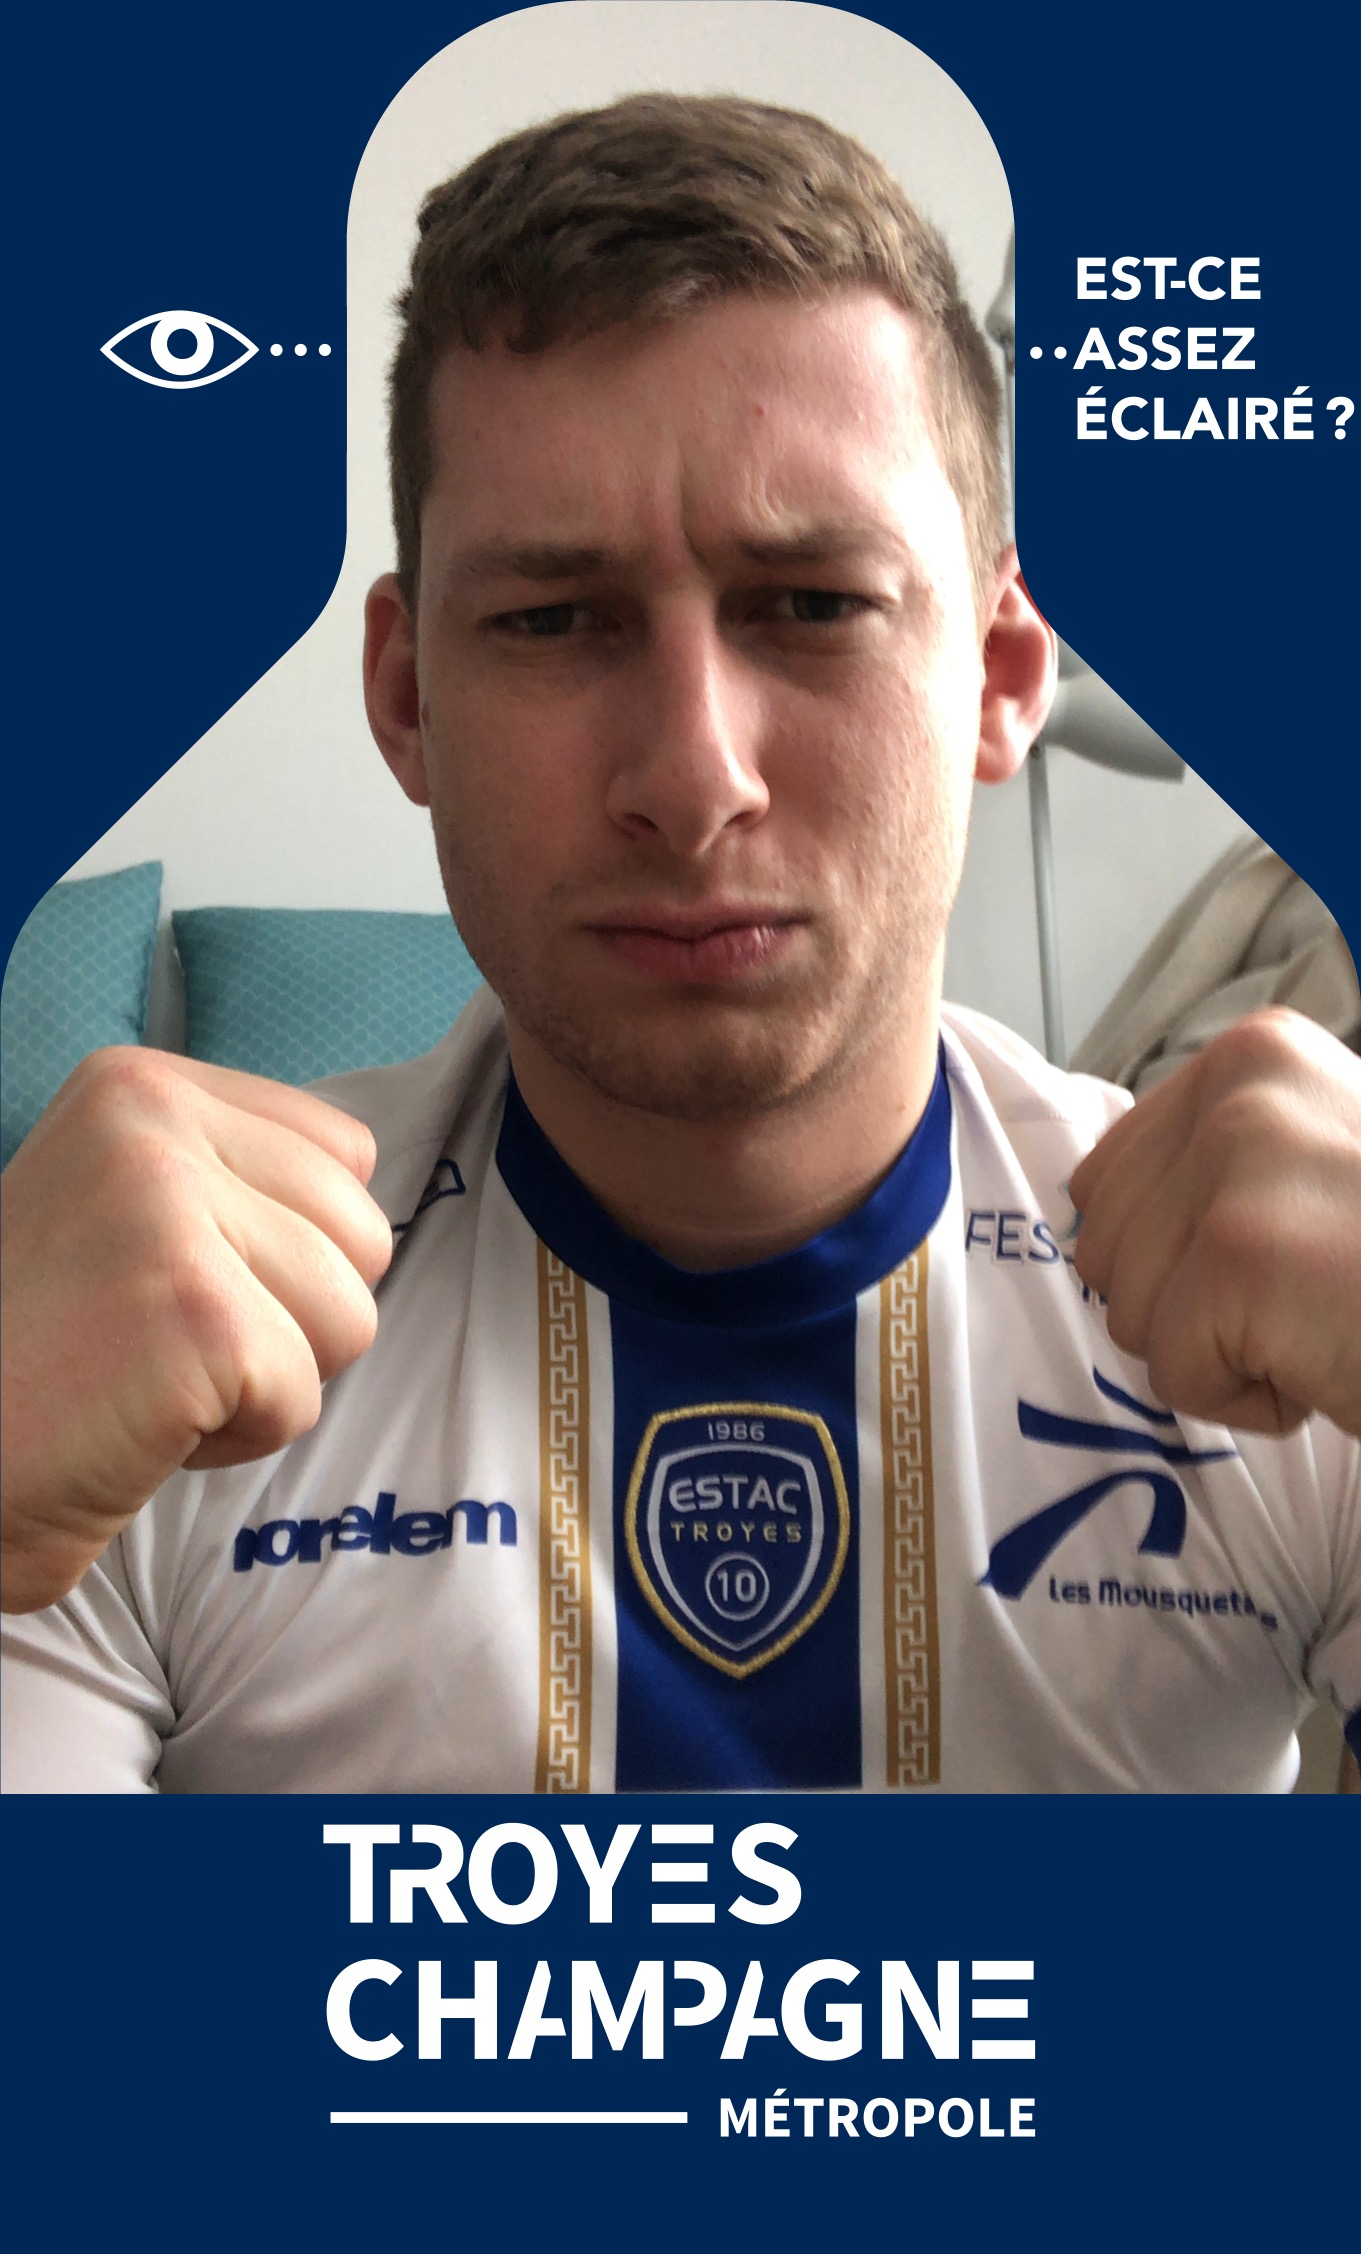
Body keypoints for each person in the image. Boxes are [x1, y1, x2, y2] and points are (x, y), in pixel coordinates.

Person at [2, 95, 1359, 1793]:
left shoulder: (1284, 1314)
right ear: (407, 699)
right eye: (552, 618)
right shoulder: (132, 1354)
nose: (693, 780)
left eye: (813, 604)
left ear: (1001, 674)